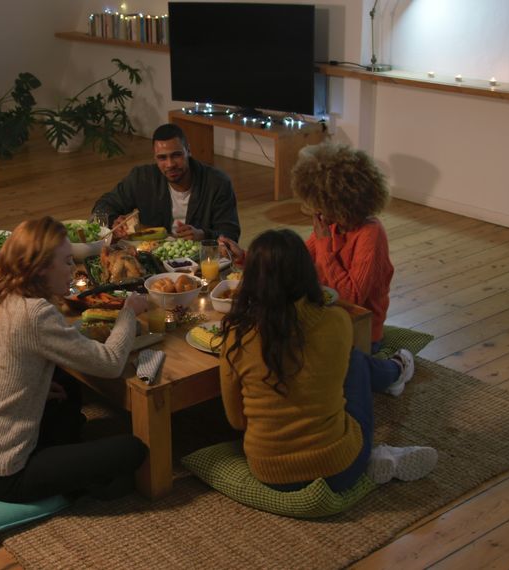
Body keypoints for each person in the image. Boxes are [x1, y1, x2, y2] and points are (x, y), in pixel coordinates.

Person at [218, 229, 435, 495]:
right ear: (307, 273)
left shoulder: (237, 337)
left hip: (269, 473)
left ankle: (393, 380)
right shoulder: (337, 322)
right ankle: (394, 376)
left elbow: (237, 421)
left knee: (348, 364)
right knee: (355, 361)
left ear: (250, 280)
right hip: (339, 469)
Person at [0, 216, 149, 503]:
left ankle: (65, 464)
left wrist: (23, 393)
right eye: (67, 261)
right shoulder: (35, 314)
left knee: (64, 397)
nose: (73, 269)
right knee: (133, 450)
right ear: (41, 268)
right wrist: (129, 312)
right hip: (3, 473)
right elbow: (110, 363)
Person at [218, 141, 407, 384]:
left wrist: (325, 244)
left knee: (337, 366)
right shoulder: (330, 223)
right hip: (323, 318)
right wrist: (245, 258)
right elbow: (292, 261)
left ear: (339, 202)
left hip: (358, 328)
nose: (314, 211)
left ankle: (396, 370)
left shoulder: (370, 233)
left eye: (320, 204)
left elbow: (351, 297)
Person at [93, 123, 240, 242]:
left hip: (199, 260)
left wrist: (203, 235)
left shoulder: (217, 183)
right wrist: (114, 222)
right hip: (153, 255)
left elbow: (231, 234)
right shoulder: (142, 178)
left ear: (188, 151)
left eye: (176, 155)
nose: (170, 164)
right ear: (155, 158)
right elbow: (102, 206)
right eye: (162, 158)